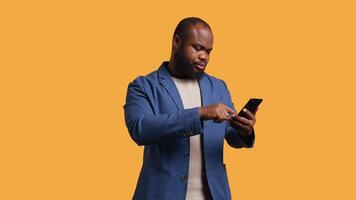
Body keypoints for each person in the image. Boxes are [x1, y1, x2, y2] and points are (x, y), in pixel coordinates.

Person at [124, 17, 259, 200]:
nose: (204, 56)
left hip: (213, 194)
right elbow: (140, 129)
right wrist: (200, 113)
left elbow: (231, 136)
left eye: (209, 51)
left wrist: (245, 130)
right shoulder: (143, 86)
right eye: (198, 48)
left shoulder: (218, 86)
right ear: (176, 42)